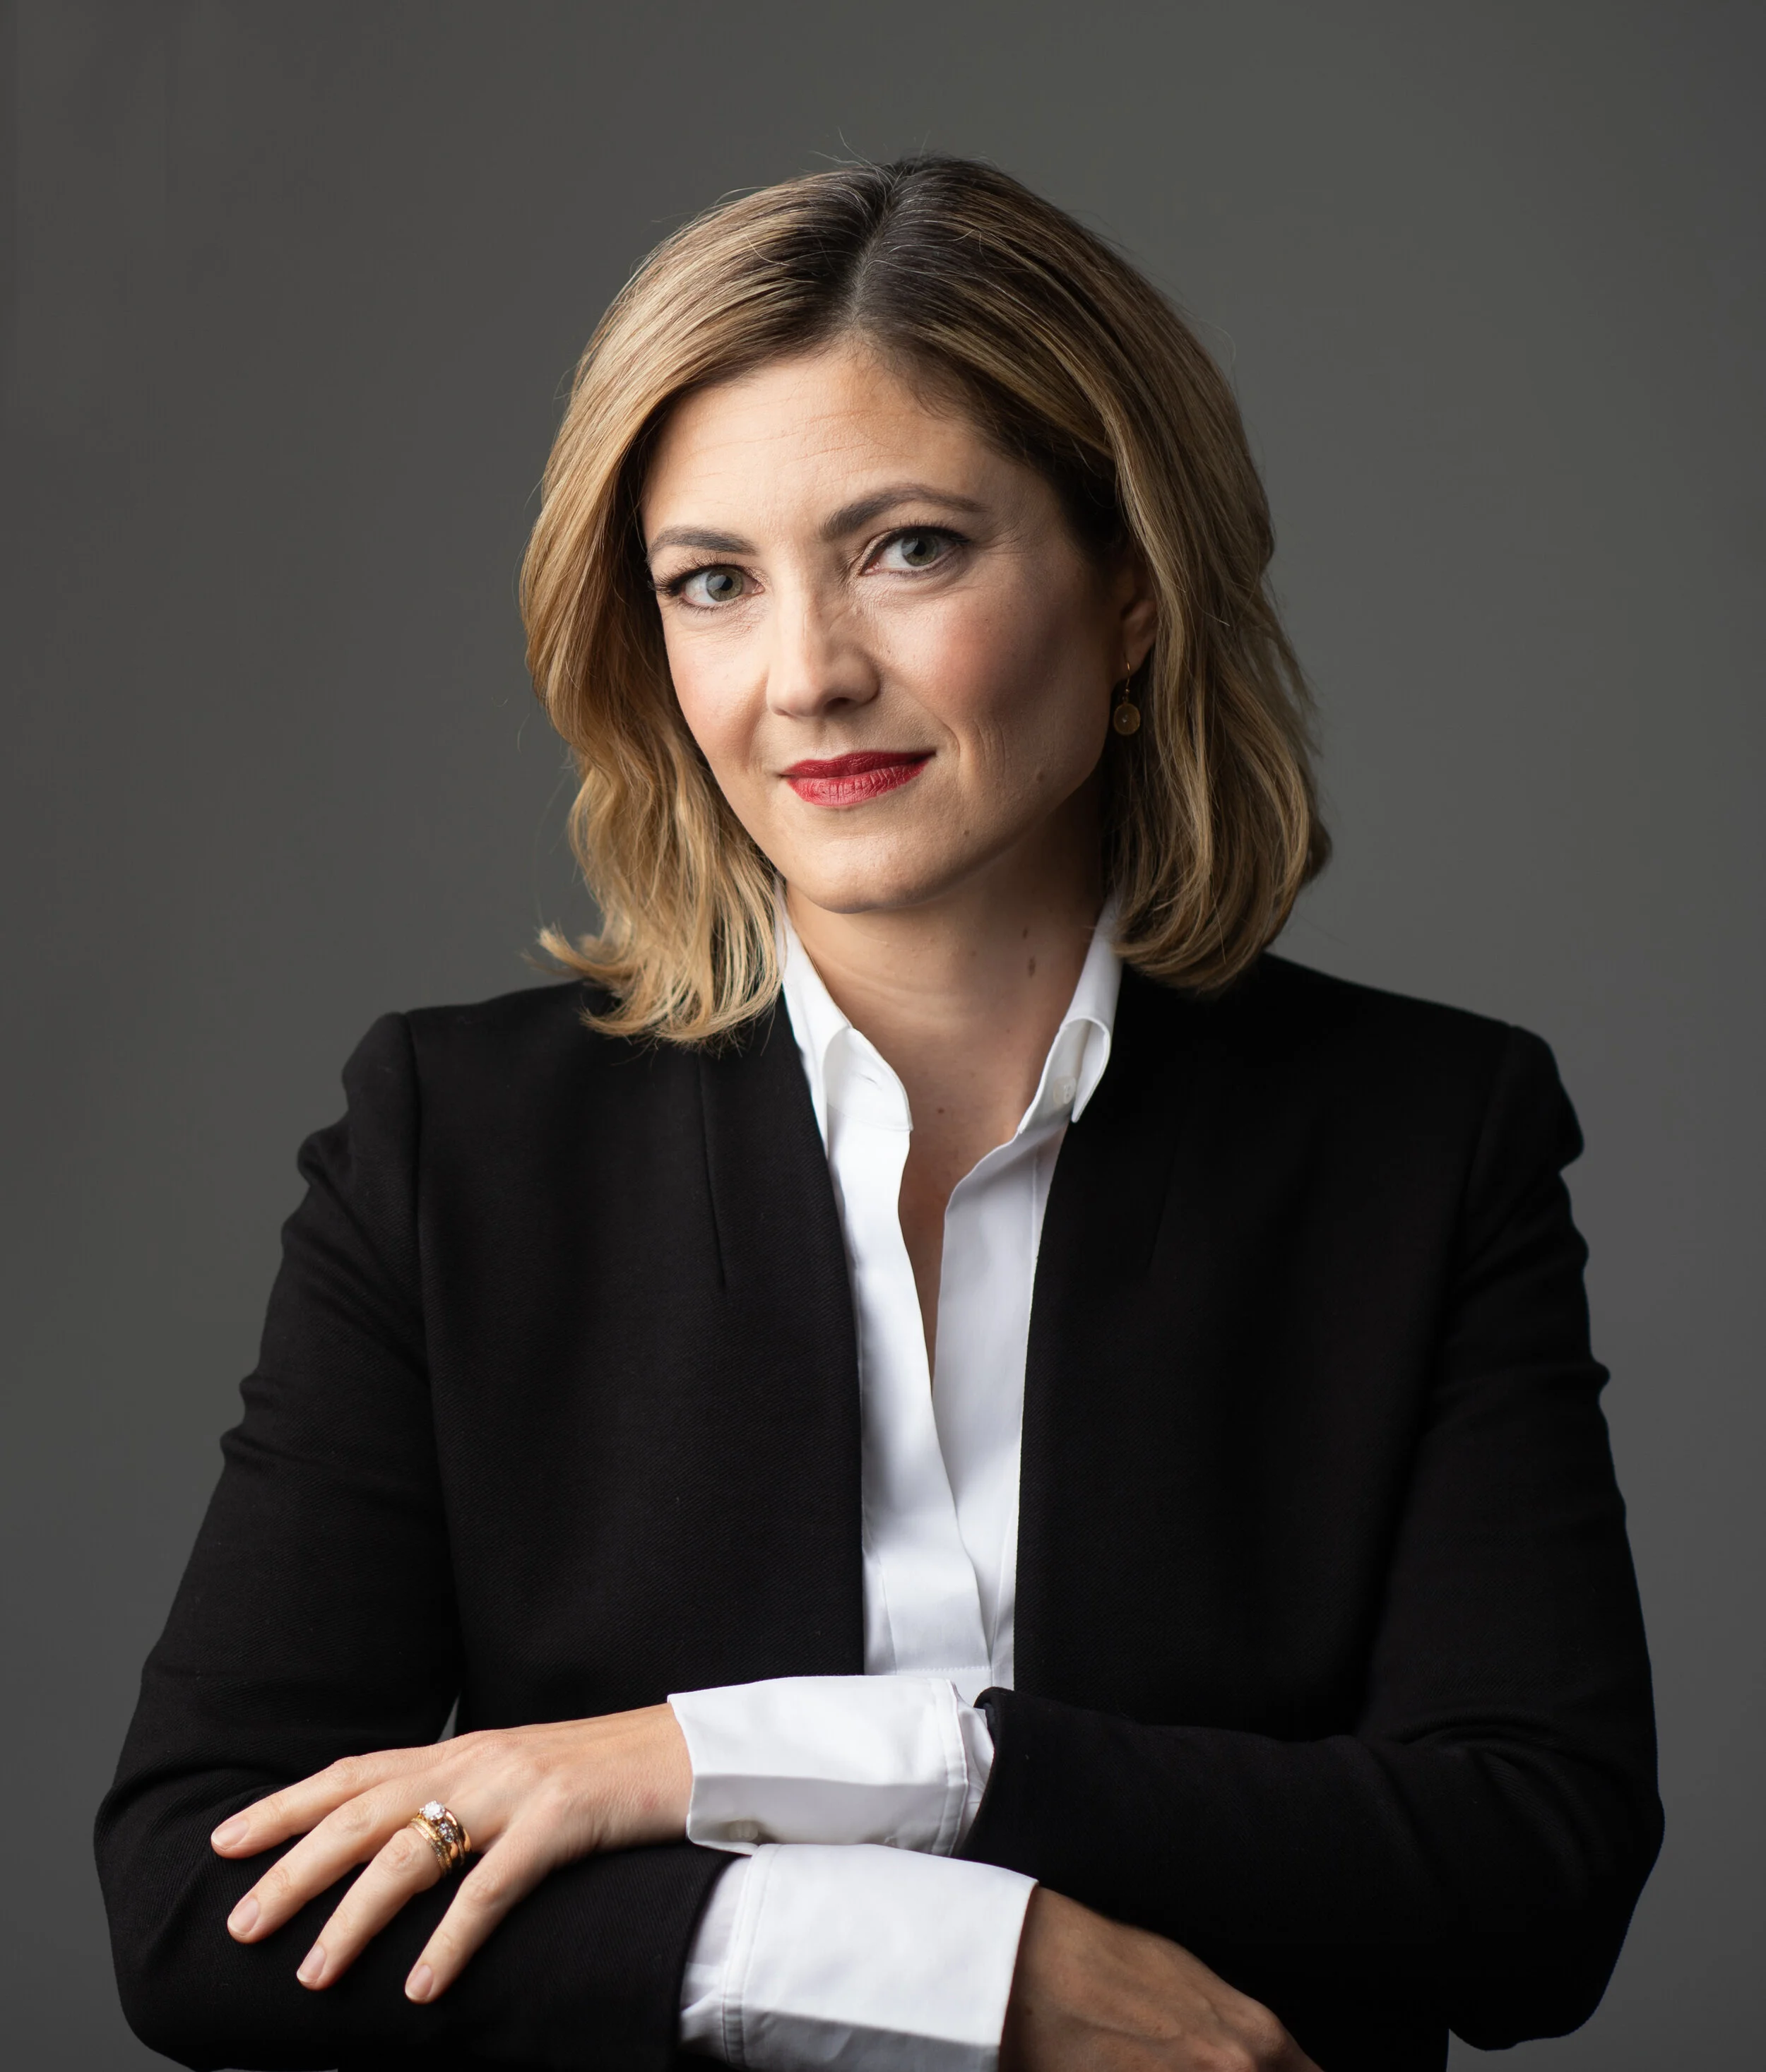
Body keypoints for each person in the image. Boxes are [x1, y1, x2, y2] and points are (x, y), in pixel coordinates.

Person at [95, 156, 1661, 2072]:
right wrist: (932, 1965)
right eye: (711, 583)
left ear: (1135, 589)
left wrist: (745, 1761)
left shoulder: (1427, 1137)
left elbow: (1531, 1877)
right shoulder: (457, 1144)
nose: (806, 674)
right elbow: (201, 1902)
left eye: (907, 546)